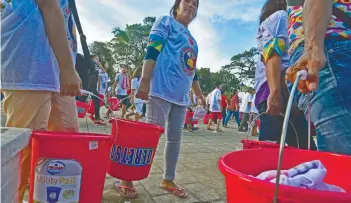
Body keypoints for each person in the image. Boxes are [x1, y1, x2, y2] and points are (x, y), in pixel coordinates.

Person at [114, 0, 204, 199]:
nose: (191, 5)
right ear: (177, 5)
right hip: (160, 90)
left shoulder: (193, 41)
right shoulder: (165, 22)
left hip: (181, 98)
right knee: (148, 137)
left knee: (175, 139)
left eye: (195, 4)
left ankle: (168, 179)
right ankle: (125, 177)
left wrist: (199, 95)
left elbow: (193, 71)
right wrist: (145, 81)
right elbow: (152, 50)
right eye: (187, 1)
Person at [1, 0, 81, 201]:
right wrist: (67, 68)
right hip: (29, 61)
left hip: (56, 65)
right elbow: (48, 5)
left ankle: (44, 196)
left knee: (64, 140)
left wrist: (67, 67)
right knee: (23, 152)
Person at [286, 0, 351, 154]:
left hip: (326, 49)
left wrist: (312, 48)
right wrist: (313, 48)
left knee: (336, 162)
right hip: (329, 49)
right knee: (340, 160)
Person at [254, 0, 316, 149]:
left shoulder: (274, 20)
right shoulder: (281, 16)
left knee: (276, 147)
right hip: (277, 88)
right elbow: (272, 53)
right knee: (293, 146)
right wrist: (275, 92)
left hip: (280, 87)